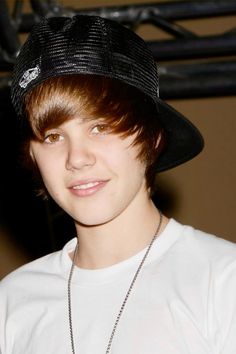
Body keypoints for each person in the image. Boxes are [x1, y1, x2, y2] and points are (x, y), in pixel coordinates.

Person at [0, 14, 236, 354]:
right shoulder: (14, 302)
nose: (76, 158)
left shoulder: (221, 282)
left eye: (100, 127)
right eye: (52, 136)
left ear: (152, 138)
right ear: (33, 157)